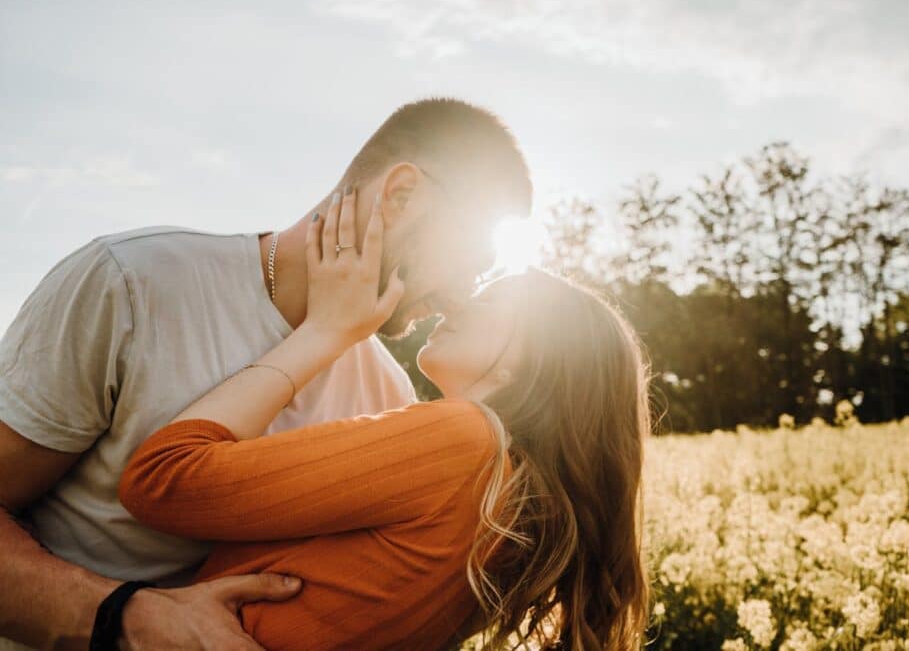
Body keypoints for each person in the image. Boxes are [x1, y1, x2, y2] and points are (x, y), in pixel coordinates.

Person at [0, 98, 531, 649]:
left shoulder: (385, 393)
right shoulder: (133, 285)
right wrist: (125, 618)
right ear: (400, 196)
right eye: (470, 262)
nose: (456, 299)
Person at [118, 185, 652, 649]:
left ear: (538, 360)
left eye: (492, 301)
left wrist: (325, 331)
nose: (456, 306)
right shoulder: (515, 515)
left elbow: (162, 479)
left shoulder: (466, 443)